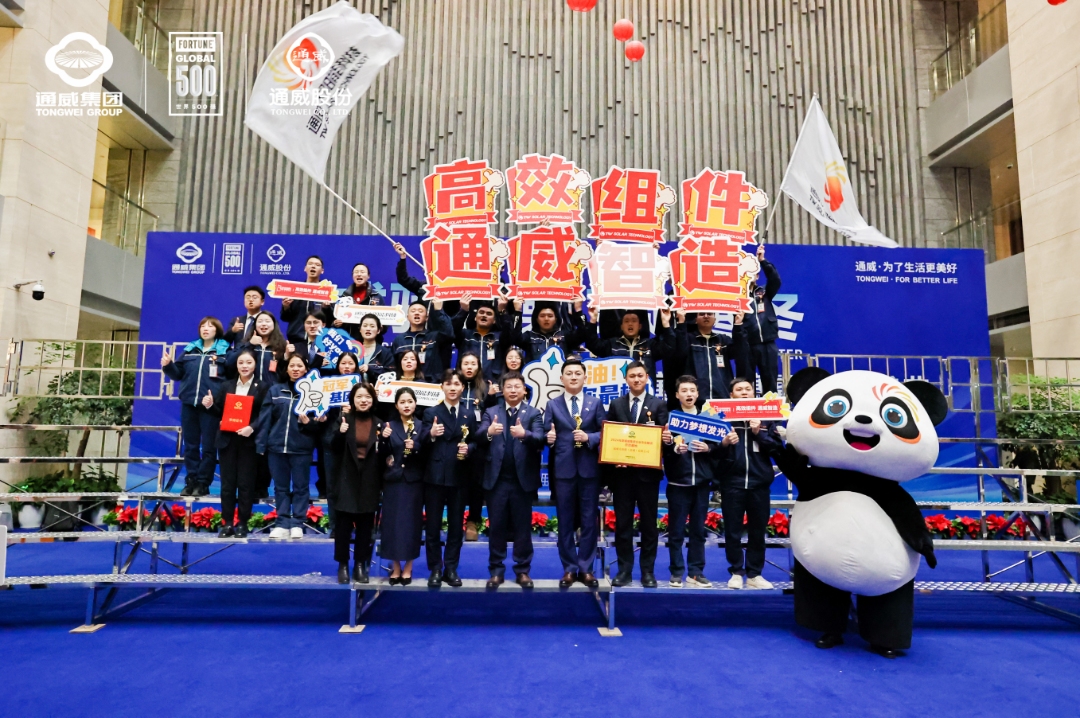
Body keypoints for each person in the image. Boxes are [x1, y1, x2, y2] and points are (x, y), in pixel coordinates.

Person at [604, 361, 669, 588]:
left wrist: (666, 439)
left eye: (640, 375)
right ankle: (624, 570)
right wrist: (615, 457)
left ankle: (647, 572)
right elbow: (610, 436)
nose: (636, 379)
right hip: (622, 476)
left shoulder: (659, 405)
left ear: (647, 378)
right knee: (623, 525)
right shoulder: (616, 404)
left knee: (649, 525)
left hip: (647, 476)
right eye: (632, 376)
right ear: (626, 379)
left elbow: (665, 439)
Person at [662, 375, 731, 587]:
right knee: (676, 531)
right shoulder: (671, 419)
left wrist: (708, 448)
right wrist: (673, 447)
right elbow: (663, 450)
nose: (689, 394)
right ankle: (676, 572)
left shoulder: (709, 419)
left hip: (701, 484)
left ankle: (696, 572)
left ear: (698, 394)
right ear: (677, 395)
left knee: (698, 531)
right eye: (684, 391)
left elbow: (720, 450)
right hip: (678, 484)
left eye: (692, 390)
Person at [544, 356, 607, 588]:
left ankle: (586, 568)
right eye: (569, 374)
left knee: (589, 521)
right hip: (564, 470)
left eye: (577, 373)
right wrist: (548, 436)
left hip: (589, 470)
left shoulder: (595, 403)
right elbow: (545, 431)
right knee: (565, 522)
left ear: (585, 377)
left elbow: (605, 432)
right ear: (562, 378)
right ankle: (569, 568)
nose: (573, 377)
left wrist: (589, 437)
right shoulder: (552, 404)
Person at [478, 371, 544, 589]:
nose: (513, 390)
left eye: (517, 387)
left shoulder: (533, 413)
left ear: (524, 390)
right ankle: (496, 571)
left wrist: (525, 434)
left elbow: (540, 439)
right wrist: (489, 432)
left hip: (522, 481)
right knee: (496, 527)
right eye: (509, 387)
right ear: (502, 391)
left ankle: (522, 570)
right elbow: (479, 436)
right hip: (497, 480)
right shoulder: (491, 412)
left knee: (522, 528)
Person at [719, 377, 783, 590]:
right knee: (732, 531)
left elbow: (776, 448)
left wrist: (759, 434)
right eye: (739, 389)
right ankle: (736, 572)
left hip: (759, 484)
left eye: (748, 389)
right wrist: (724, 443)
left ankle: (754, 574)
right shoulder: (722, 418)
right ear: (731, 395)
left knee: (757, 531)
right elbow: (712, 452)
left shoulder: (765, 418)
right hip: (732, 483)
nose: (744, 392)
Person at [421, 370, 479, 587]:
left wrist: (469, 448)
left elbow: (476, 441)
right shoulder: (430, 412)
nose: (452, 388)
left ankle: (451, 568)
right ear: (442, 387)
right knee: (433, 526)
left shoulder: (469, 414)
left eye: (456, 384)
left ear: (462, 387)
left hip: (459, 475)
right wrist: (431, 434)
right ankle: (435, 568)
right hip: (435, 476)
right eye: (448, 384)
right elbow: (420, 441)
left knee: (456, 527)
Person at [161, 317, 229, 497]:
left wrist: (217, 399)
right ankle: (191, 480)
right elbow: (177, 374)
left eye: (210, 326)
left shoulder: (225, 351)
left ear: (217, 330)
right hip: (188, 404)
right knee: (190, 446)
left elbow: (229, 380)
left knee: (208, 447)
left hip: (210, 406)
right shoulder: (190, 349)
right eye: (202, 326)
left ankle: (203, 483)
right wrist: (168, 366)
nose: (205, 329)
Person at [205, 349, 269, 537]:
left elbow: (265, 414)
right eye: (241, 362)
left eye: (248, 362)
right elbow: (219, 411)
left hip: (248, 440)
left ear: (255, 364)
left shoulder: (262, 387)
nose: (244, 366)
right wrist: (210, 404)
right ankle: (227, 524)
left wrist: (252, 427)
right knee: (227, 484)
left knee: (246, 484)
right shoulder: (226, 385)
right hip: (227, 440)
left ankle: (242, 524)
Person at [257, 354, 318, 539]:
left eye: (299, 366)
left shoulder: (314, 393)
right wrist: (261, 444)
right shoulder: (275, 390)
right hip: (276, 448)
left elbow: (319, 425)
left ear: (306, 369)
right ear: (287, 368)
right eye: (292, 365)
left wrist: (310, 422)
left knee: (301, 487)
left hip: (301, 448)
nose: (296, 369)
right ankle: (282, 523)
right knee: (280, 488)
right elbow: (265, 419)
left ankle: (298, 523)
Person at [329, 383, 384, 584]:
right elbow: (332, 447)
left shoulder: (379, 423)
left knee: (365, 526)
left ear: (373, 400)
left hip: (369, 479)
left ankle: (360, 564)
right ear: (353, 399)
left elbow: (383, 455)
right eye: (359, 396)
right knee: (343, 526)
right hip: (346, 479)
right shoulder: (344, 419)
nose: (363, 400)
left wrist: (385, 441)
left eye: (367, 397)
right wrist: (340, 433)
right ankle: (342, 564)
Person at [378, 387, 428, 585]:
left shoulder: (423, 426)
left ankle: (408, 567)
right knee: (392, 525)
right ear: (396, 405)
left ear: (415, 403)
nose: (406, 405)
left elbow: (428, 454)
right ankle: (396, 567)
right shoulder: (388, 425)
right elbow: (381, 455)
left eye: (410, 401)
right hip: (393, 481)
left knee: (411, 525)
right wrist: (383, 439)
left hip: (414, 482)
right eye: (402, 402)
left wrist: (416, 447)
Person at [318, 351, 363, 534]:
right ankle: (335, 526)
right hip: (332, 440)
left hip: (357, 443)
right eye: (343, 363)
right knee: (332, 486)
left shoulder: (362, 387)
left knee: (356, 486)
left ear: (356, 366)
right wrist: (322, 416)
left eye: (350, 363)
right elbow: (319, 409)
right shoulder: (327, 385)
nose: (347, 367)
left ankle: (357, 525)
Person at [668, 310, 747, 405]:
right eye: (701, 314)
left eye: (709, 314)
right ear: (696, 319)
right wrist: (681, 323)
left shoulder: (723, 340)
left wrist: (738, 325)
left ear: (715, 319)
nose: (706, 316)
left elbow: (740, 352)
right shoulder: (688, 339)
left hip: (722, 396)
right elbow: (680, 353)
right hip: (695, 398)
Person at [458, 351, 496, 541]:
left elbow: (491, 414)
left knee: (476, 484)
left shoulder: (486, 387)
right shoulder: (453, 384)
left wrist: (491, 397)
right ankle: (455, 520)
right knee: (456, 482)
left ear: (479, 367)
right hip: (455, 439)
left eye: (473, 363)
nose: (469, 367)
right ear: (460, 366)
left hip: (479, 441)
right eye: (466, 363)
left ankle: (473, 521)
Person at [586, 307, 676, 383]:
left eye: (634, 321)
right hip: (619, 392)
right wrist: (593, 320)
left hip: (645, 394)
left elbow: (669, 347)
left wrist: (666, 323)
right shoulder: (612, 344)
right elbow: (592, 344)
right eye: (626, 321)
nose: (630, 323)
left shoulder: (649, 344)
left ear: (640, 326)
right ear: (621, 326)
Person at [741, 244, 782, 393]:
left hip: (767, 344)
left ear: (757, 276)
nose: (749, 275)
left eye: (753, 272)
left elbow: (775, 280)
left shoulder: (765, 292)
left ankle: (771, 409)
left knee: (770, 383)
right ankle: (747, 409)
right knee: (746, 384)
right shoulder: (737, 296)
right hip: (747, 345)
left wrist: (762, 261)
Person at [453, 296, 514, 383]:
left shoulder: (499, 337)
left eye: (489, 314)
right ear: (475, 317)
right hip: (466, 383)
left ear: (494, 321)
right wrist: (463, 310)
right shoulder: (465, 335)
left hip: (492, 384)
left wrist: (502, 311)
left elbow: (509, 332)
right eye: (481, 312)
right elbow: (452, 330)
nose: (484, 315)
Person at [506, 299, 587, 363]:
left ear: (556, 319)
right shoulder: (530, 336)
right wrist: (518, 311)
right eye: (542, 316)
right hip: (534, 377)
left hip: (560, 377)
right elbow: (514, 337)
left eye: (550, 316)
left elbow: (583, 334)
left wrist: (578, 310)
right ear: (536, 319)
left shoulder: (565, 336)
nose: (546, 319)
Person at [391, 299, 454, 380]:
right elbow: (393, 366)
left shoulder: (434, 337)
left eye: (420, 311)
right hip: (404, 383)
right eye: (413, 311)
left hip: (429, 384)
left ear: (427, 317)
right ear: (407, 317)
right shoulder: (399, 340)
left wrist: (439, 311)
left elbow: (449, 333)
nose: (417, 313)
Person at [280, 255, 333, 342]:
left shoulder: (328, 292)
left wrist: (326, 308)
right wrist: (286, 307)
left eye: (317, 265)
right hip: (297, 339)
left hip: (320, 340)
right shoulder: (295, 290)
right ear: (305, 268)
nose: (313, 266)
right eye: (310, 264)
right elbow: (285, 318)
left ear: (322, 271)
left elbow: (331, 320)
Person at [227, 310, 287, 384]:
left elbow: (285, 373)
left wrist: (286, 357)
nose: (263, 324)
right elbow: (230, 362)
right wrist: (250, 344)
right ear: (255, 325)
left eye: (267, 321)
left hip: (272, 389)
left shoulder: (281, 346)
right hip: (251, 388)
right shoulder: (245, 343)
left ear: (274, 325)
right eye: (260, 321)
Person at [332, 263, 385, 340]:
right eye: (356, 272)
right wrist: (336, 324)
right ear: (352, 276)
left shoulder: (377, 297)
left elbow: (385, 324)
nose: (359, 274)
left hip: (370, 342)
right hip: (349, 342)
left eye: (362, 272)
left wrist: (382, 327)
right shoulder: (344, 297)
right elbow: (333, 322)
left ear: (368, 276)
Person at [355, 314, 395, 385]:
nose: (368, 329)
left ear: (378, 330)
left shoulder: (385, 353)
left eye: (372, 326)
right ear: (360, 329)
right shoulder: (353, 351)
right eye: (365, 326)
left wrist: (370, 369)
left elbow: (391, 374)